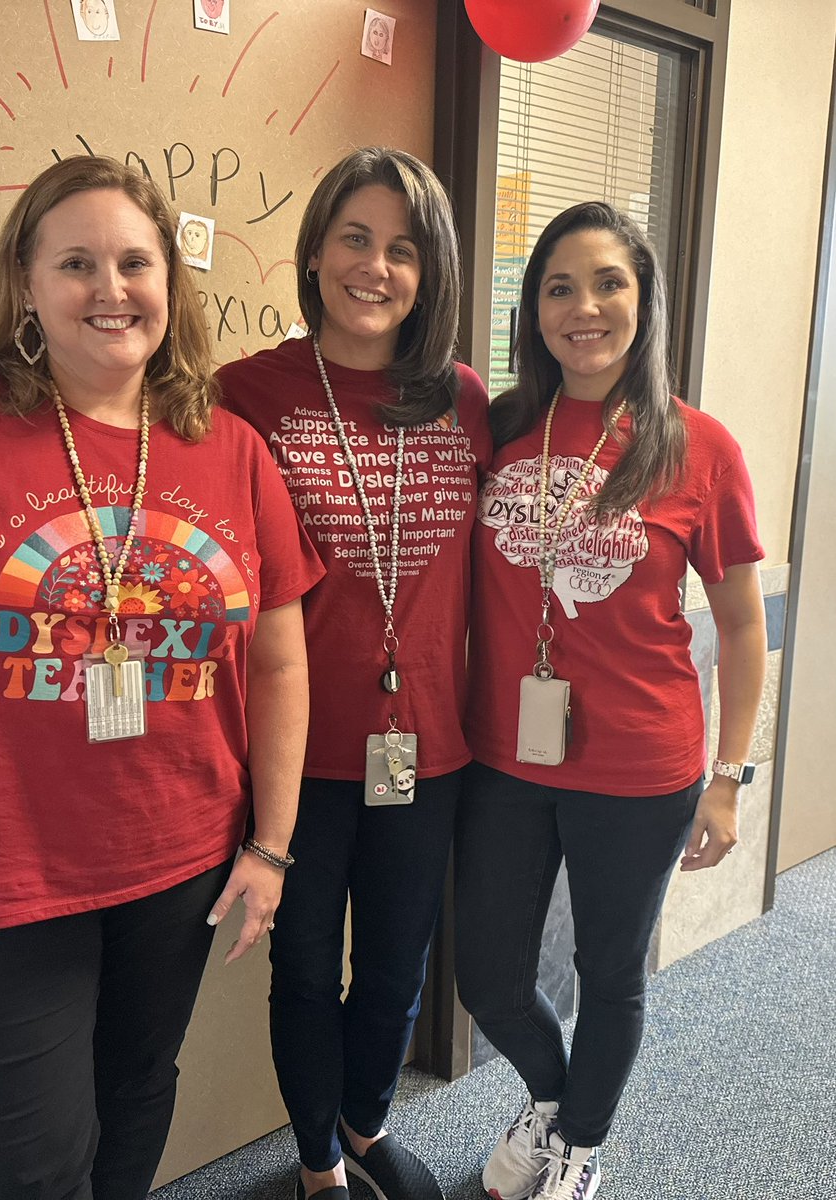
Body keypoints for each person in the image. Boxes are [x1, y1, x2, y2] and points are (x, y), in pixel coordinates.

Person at [0, 154, 323, 1200]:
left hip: (175, 859)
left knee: (137, 1106)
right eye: (77, 262)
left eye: (136, 262)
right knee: (31, 1170)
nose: (111, 288)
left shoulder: (227, 449)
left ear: (170, 287)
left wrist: (270, 844)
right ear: (29, 285)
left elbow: (276, 657)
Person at [455, 201, 766, 1200]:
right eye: (558, 286)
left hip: (642, 764)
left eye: (609, 284)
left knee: (609, 969)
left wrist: (729, 777)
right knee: (490, 975)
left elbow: (746, 628)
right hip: (505, 757)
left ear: (645, 301)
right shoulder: (498, 427)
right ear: (532, 308)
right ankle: (552, 1104)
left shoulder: (697, 446)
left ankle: (579, 1145)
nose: (583, 307)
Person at [217, 147, 492, 1200]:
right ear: (317, 250)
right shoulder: (249, 394)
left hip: (430, 747)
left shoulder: (464, 401)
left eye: (404, 249)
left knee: (396, 964)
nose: (376, 267)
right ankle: (320, 1165)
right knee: (301, 971)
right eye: (356, 238)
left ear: (433, 274)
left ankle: (369, 1123)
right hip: (295, 754)